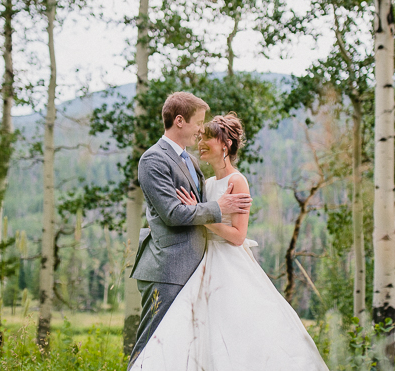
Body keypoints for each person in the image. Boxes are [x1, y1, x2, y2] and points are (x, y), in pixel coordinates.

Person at [130, 111, 330, 371]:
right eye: (200, 138)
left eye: (208, 139)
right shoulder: (207, 181)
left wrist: (206, 217)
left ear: (225, 145)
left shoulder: (237, 181)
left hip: (228, 262)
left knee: (235, 330)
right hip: (201, 263)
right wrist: (203, 210)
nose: (200, 144)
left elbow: (238, 236)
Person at [129, 92, 253, 367]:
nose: (201, 129)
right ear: (180, 121)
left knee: (182, 351)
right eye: (198, 122)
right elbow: (173, 214)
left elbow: (196, 208)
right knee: (151, 346)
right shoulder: (153, 160)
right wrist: (220, 207)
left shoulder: (192, 162)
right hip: (167, 269)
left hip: (196, 269)